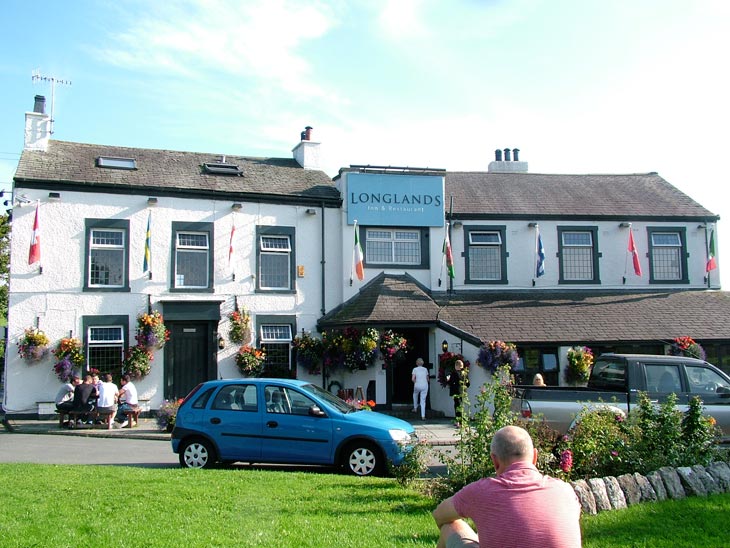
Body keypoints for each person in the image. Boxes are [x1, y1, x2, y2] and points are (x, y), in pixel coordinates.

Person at [432, 425, 582, 548]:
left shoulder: (481, 491)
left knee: (450, 526)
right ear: (535, 457)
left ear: (495, 461)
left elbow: (440, 515)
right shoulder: (565, 491)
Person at [448, 360, 469, 425]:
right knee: (461, 405)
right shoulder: (465, 373)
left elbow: (451, 382)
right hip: (463, 391)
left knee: (457, 406)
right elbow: (468, 383)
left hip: (456, 391)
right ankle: (462, 420)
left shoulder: (454, 373)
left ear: (456, 366)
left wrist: (448, 380)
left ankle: (458, 421)